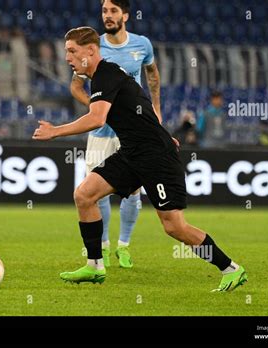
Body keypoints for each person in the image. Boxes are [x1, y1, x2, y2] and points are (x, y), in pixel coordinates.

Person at [33, 27, 247, 292]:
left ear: (91, 50)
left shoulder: (106, 74)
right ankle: (95, 265)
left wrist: (56, 131)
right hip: (132, 152)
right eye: (66, 51)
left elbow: (97, 118)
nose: (67, 57)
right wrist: (161, 132)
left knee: (174, 226)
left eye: (72, 51)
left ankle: (231, 269)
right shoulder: (105, 76)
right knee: (85, 195)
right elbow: (140, 105)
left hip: (155, 157)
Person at [69, 0, 163, 269]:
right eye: (104, 12)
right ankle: (104, 247)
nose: (107, 16)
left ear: (125, 15)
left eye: (112, 11)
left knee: (133, 191)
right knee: (96, 193)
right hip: (101, 132)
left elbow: (153, 76)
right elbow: (75, 86)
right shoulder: (93, 47)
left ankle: (124, 245)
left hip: (132, 131)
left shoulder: (142, 45)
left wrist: (156, 109)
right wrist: (96, 106)